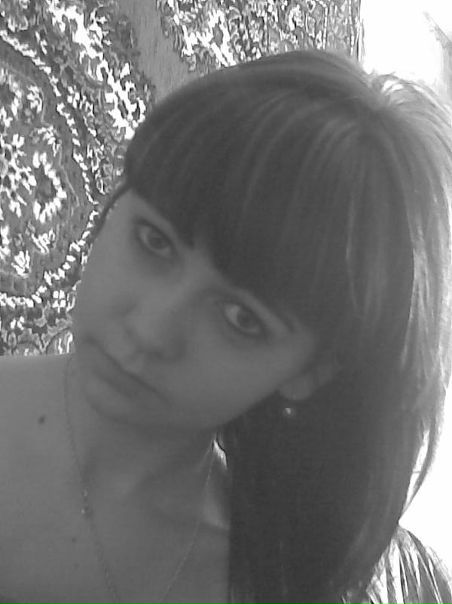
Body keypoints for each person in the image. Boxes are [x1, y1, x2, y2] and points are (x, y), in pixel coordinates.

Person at [0, 49, 451, 604]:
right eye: (154, 242)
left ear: (309, 372)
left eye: (241, 319)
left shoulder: (271, 578)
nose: (150, 330)